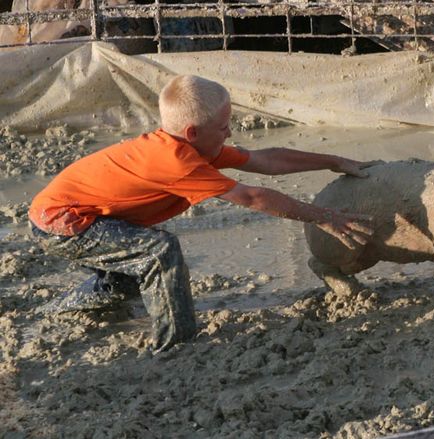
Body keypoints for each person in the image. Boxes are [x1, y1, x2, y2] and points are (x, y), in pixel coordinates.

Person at [28, 74, 374, 352]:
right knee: (158, 251)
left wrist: (333, 160)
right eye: (224, 126)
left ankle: (57, 312)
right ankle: (176, 342)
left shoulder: (193, 147)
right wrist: (322, 216)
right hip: (64, 221)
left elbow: (265, 160)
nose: (230, 132)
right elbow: (251, 197)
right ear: (193, 132)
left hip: (81, 214)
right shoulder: (176, 161)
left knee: (125, 278)